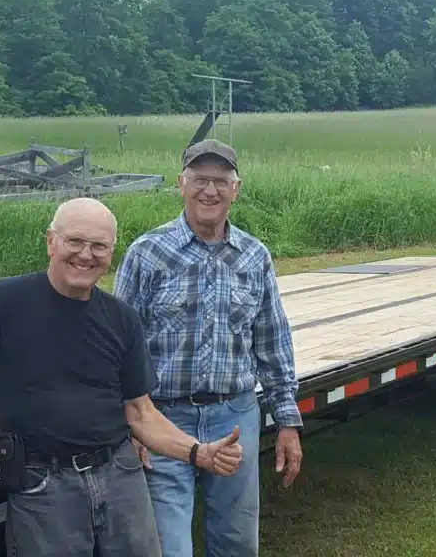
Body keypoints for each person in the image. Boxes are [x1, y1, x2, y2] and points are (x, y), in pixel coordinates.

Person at [0, 197, 244, 557]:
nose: (86, 255)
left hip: (121, 477)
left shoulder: (122, 319)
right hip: (43, 485)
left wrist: (197, 453)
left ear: (111, 252)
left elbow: (141, 413)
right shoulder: (3, 302)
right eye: (75, 241)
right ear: (51, 242)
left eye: (99, 246)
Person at [114, 139, 303, 557]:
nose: (210, 191)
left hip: (234, 416)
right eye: (201, 179)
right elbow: (118, 349)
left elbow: (272, 342)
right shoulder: (147, 253)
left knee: (236, 542)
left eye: (221, 181)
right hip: (163, 416)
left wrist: (287, 423)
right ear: (181, 184)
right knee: (167, 546)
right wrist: (129, 423)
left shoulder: (255, 257)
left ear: (236, 189)